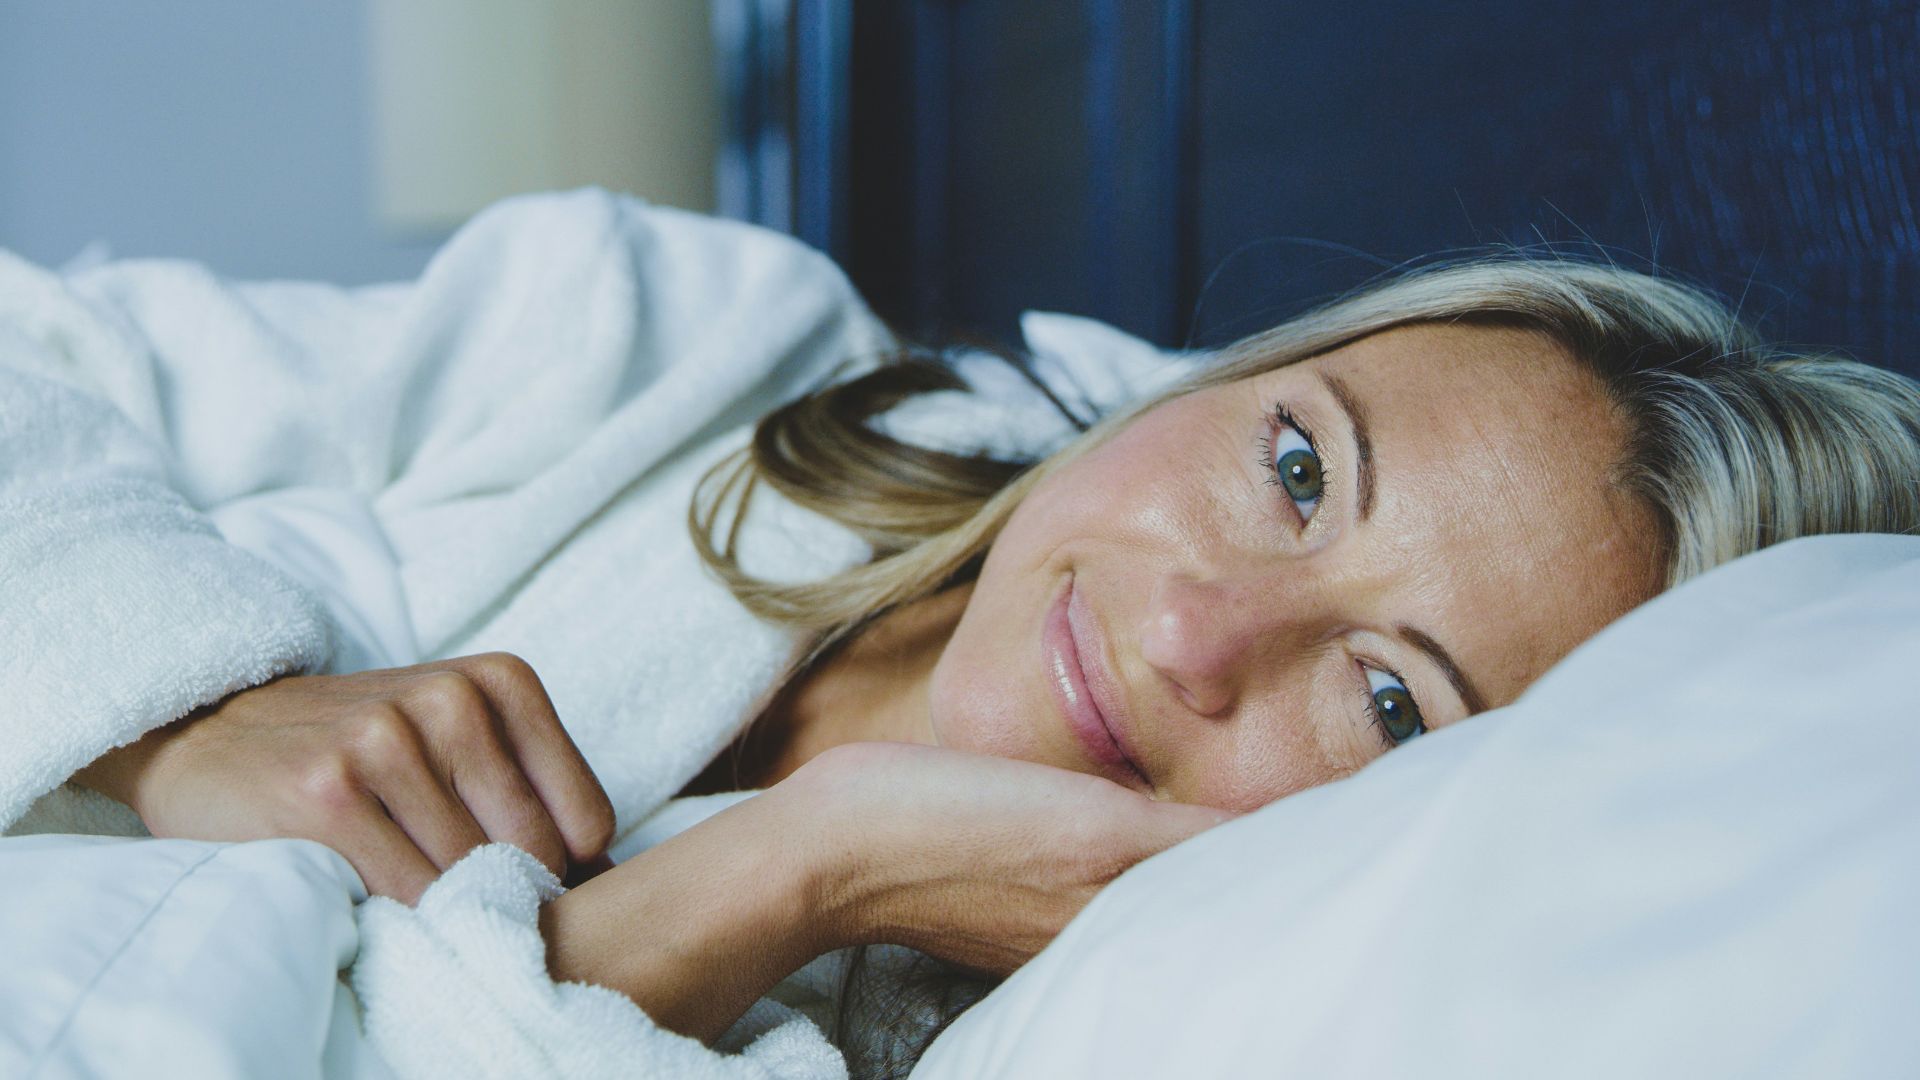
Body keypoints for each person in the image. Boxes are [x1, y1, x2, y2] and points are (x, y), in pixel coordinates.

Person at [13, 192, 1920, 1078]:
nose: (1194, 627)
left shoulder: (1087, 1041)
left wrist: (813, 867)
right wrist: (182, 703)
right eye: (1291, 464)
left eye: (1394, 702)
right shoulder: (689, 346)